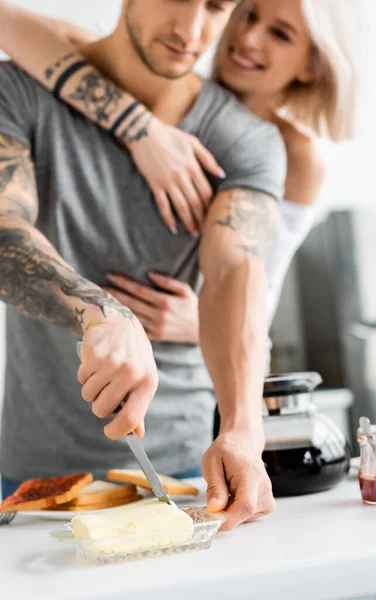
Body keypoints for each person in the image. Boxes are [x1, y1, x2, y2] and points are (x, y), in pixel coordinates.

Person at [0, 0, 288, 530]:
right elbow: (3, 227)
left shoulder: (248, 139)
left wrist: (244, 428)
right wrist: (103, 313)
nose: (191, 30)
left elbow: (233, 271)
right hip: (29, 478)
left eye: (217, 7)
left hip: (184, 469)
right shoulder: (16, 90)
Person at [0, 0, 361, 367]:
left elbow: (256, 288)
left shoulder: (293, 155)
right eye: (248, 14)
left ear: (311, 65)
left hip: (201, 366)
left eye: (280, 34)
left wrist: (204, 322)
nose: (248, 37)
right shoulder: (154, 74)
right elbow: (15, 25)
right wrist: (142, 131)